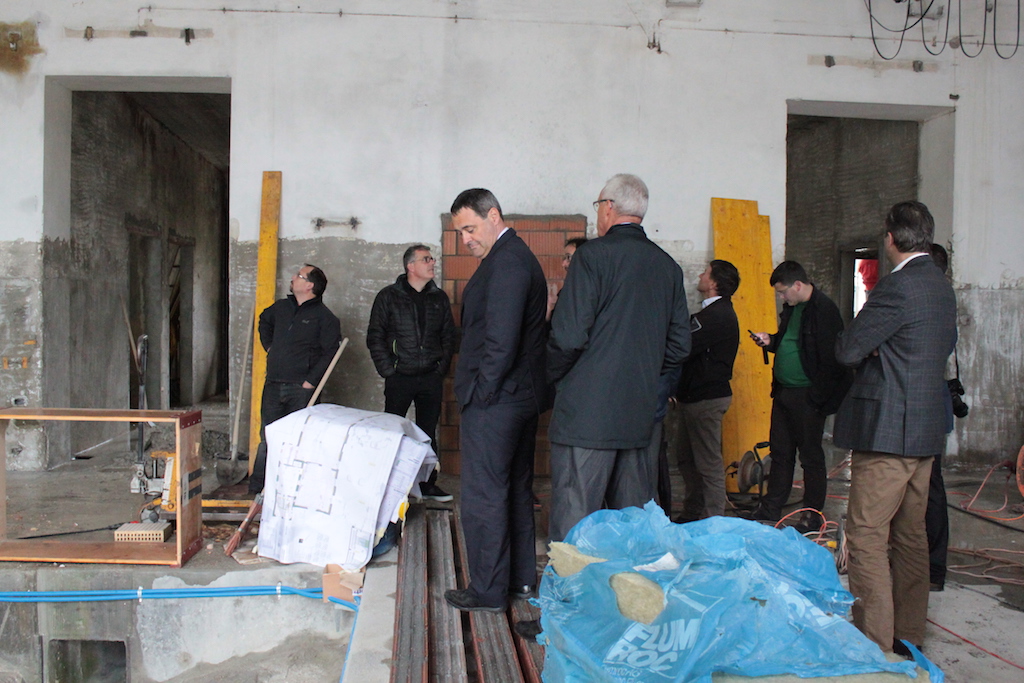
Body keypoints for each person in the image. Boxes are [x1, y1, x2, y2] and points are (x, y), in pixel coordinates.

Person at [833, 201, 957, 654]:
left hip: (888, 431)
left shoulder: (897, 286)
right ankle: (908, 634)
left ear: (890, 237)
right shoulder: (941, 286)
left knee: (866, 534)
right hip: (924, 430)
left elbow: (848, 348)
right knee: (910, 535)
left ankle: (874, 641)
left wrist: (875, 347)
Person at [547, 173, 691, 542]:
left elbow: (568, 337)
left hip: (586, 414)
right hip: (640, 414)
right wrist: (642, 376)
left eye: (599, 205)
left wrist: (552, 378)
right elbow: (680, 345)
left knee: (577, 519)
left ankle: (574, 581)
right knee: (632, 523)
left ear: (609, 207)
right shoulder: (667, 266)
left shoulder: (592, 257)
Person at [443, 188, 548, 613]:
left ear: (494, 216)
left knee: (484, 495)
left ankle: (487, 591)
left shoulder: (507, 263)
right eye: (460, 232)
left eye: (470, 228)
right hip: (517, 397)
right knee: (515, 489)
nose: (466, 239)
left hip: (498, 400)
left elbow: (500, 341)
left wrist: (480, 393)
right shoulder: (513, 257)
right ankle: (520, 579)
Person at [749, 261, 852, 531]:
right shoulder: (791, 309)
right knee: (780, 453)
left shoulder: (824, 310)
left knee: (810, 457)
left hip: (808, 396)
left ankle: (811, 514)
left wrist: (818, 398)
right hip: (784, 392)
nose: (782, 298)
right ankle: (771, 508)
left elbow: (832, 360)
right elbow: (790, 342)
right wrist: (770, 341)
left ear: (797, 285)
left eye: (783, 292)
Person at [367, 244, 456, 501]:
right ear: (411, 266)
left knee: (427, 434)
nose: (432, 263)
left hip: (430, 377)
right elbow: (375, 336)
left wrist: (440, 369)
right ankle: (390, 488)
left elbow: (449, 336)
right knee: (393, 431)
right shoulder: (388, 297)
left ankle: (427, 485)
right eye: (426, 259)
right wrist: (389, 370)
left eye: (432, 259)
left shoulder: (438, 298)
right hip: (400, 377)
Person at [249, 264, 342, 494]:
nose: (293, 277)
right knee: (268, 437)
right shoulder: (281, 308)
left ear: (310, 285)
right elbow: (263, 320)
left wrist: (310, 382)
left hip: (301, 390)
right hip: (273, 384)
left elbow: (331, 352)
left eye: (299, 276)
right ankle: (258, 489)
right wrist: (269, 346)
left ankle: (295, 490)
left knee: (301, 440)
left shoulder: (325, 318)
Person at [674, 260, 740, 522]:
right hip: (693, 397)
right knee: (686, 459)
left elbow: (684, 346)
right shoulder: (711, 313)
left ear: (713, 283)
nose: (700, 276)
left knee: (707, 462)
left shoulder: (716, 316)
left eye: (705, 273)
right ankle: (693, 511)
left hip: (706, 399)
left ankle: (713, 519)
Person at [546, 237, 588, 321]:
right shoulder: (569, 289)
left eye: (568, 257)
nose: (564, 264)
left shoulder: (582, 292)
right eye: (564, 258)